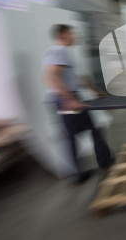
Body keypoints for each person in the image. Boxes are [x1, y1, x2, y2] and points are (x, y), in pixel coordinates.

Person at [43, 24, 113, 184]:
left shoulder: (64, 52)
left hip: (63, 97)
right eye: (72, 33)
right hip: (65, 98)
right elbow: (51, 77)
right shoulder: (58, 51)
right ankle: (103, 162)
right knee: (93, 129)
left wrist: (96, 91)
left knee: (73, 135)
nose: (75, 36)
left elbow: (80, 78)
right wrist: (69, 100)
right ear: (62, 34)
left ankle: (79, 173)